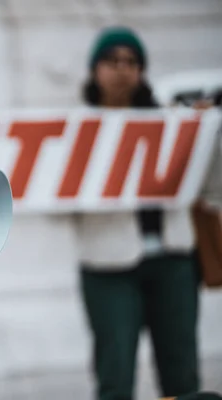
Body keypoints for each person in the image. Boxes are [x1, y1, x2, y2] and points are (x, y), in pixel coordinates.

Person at [75, 26, 208, 400]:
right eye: (112, 60)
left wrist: (205, 135)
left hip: (174, 261)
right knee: (115, 376)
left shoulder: (173, 121)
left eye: (131, 61)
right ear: (95, 70)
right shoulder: (74, 131)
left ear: (142, 70)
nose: (122, 69)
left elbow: (209, 186)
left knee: (182, 375)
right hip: (107, 266)